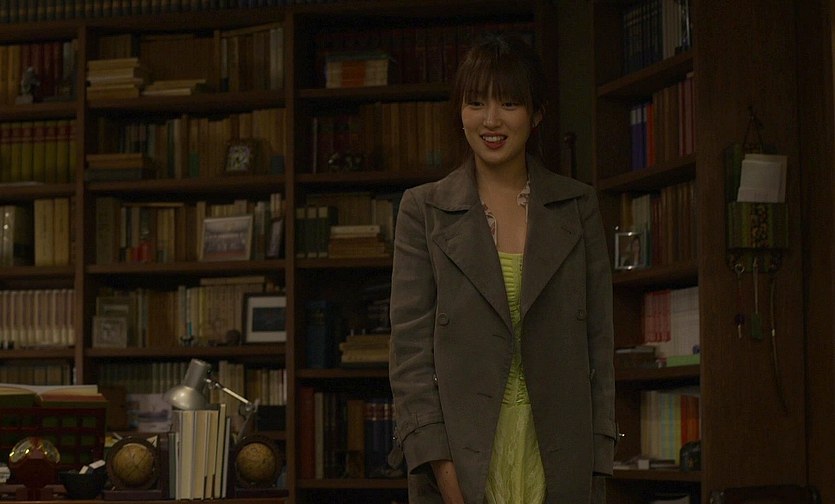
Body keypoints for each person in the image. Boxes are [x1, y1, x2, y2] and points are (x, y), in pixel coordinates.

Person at [388, 32, 617, 503]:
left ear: (537, 113)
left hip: (560, 454)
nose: (491, 120)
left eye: (509, 103)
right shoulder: (423, 210)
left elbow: (600, 345)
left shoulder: (577, 207)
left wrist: (598, 461)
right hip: (461, 459)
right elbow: (409, 358)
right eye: (476, 103)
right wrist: (445, 475)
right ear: (460, 111)